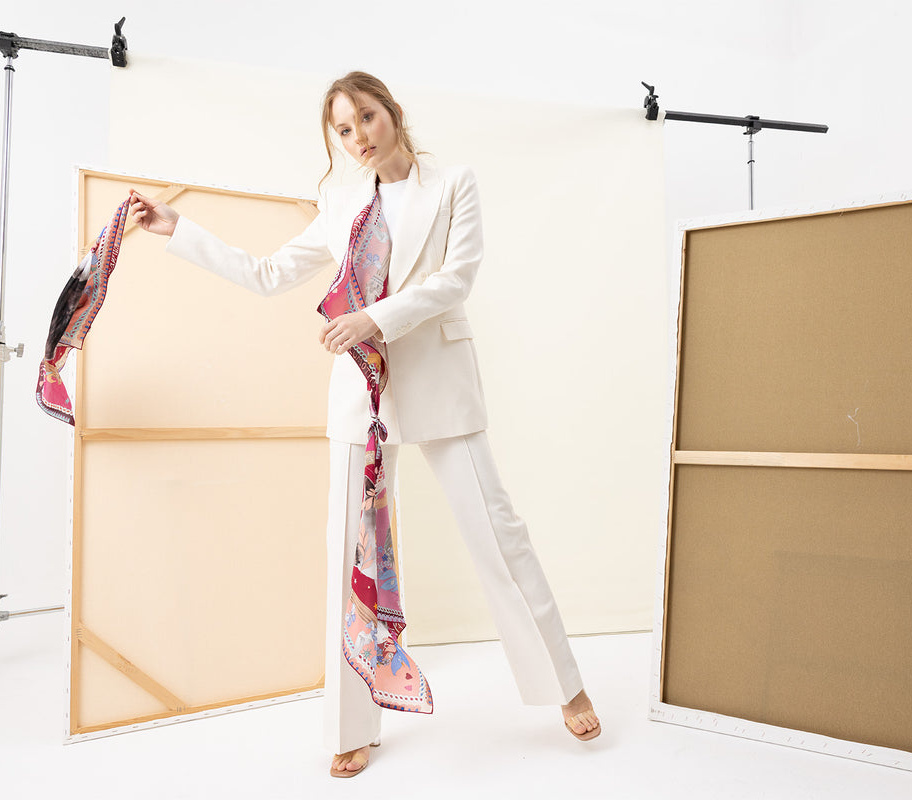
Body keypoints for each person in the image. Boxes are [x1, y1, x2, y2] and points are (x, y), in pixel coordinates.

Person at [128, 71, 600, 778]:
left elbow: (456, 280)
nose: (358, 138)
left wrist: (371, 318)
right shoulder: (341, 200)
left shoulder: (453, 184)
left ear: (393, 112)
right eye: (344, 131)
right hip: (360, 389)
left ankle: (565, 684)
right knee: (348, 557)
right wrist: (180, 231)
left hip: (438, 379)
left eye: (367, 119)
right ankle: (351, 724)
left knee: (499, 533)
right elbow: (269, 273)